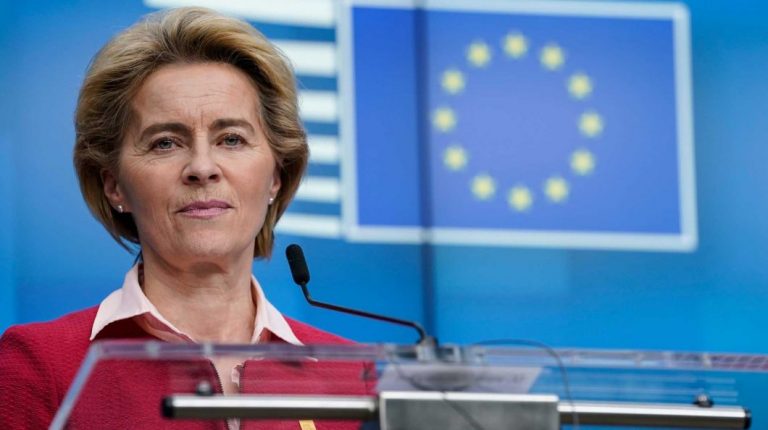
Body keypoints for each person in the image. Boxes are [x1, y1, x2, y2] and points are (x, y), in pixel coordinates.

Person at [0, 7, 369, 429]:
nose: (202, 167)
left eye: (232, 139)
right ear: (114, 185)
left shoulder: (352, 375)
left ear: (276, 176)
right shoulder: (39, 365)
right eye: (165, 143)